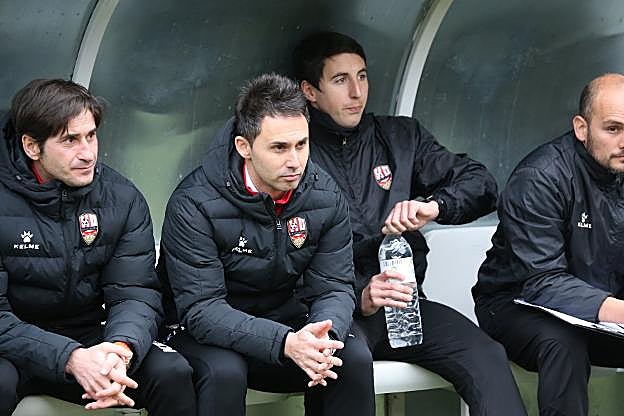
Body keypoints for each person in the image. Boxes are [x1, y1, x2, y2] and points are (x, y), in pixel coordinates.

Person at [293, 31, 527, 415]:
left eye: (362, 76)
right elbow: (283, 252)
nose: (356, 92)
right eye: (340, 80)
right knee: (345, 362)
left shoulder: (400, 137)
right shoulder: (295, 153)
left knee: (486, 355)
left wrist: (435, 206)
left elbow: (481, 184)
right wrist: (360, 294)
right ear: (310, 91)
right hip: (337, 314)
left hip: (406, 307)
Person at [158, 73, 374, 416]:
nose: (295, 161)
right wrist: (285, 342)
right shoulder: (194, 203)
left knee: (349, 357)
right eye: (279, 148)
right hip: (204, 331)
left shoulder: (324, 194)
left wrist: (322, 334)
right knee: (224, 372)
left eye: (301, 145)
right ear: (244, 147)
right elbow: (202, 310)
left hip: (287, 323)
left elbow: (334, 286)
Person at [0, 79, 196, 416]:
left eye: (91, 136)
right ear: (31, 146)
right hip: (14, 346)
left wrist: (120, 350)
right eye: (70, 140)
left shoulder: (121, 198)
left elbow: (135, 293)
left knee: (172, 373)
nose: (88, 153)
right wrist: (70, 358)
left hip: (92, 337)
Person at [473, 73, 624, 415]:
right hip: (517, 306)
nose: (623, 141)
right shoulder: (540, 176)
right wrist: (619, 310)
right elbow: (542, 281)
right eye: (613, 129)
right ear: (581, 128)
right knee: (564, 342)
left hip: (605, 307)